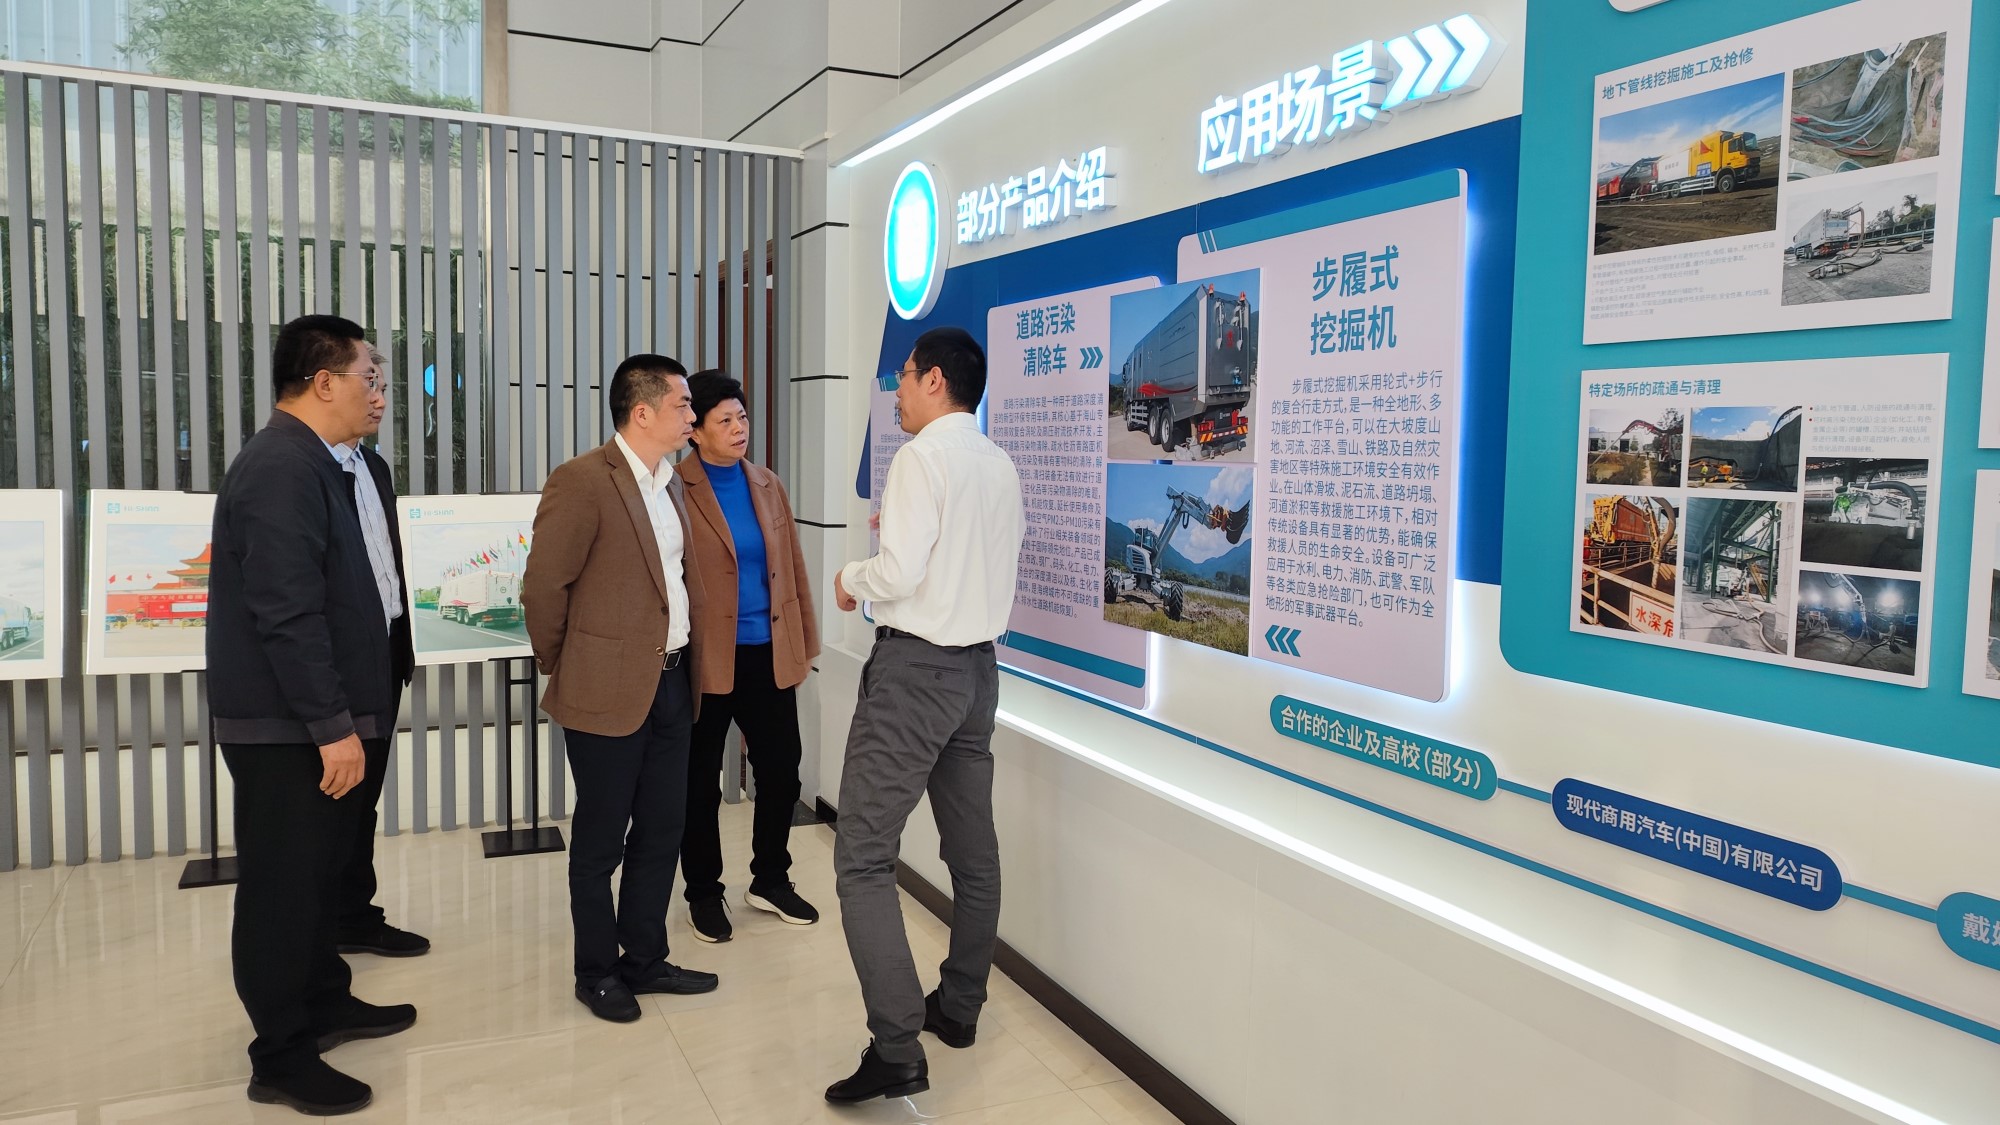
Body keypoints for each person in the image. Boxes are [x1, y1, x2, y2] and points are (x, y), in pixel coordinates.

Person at [207, 315, 418, 1116]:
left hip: (330, 707)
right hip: (287, 725)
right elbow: (287, 614)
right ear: (324, 382)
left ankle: (325, 999)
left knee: (323, 872)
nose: (380, 392)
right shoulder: (280, 468)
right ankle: (281, 1054)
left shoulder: (329, 463)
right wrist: (332, 725)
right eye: (371, 376)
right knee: (283, 887)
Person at [825, 327, 1026, 1104]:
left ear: (935, 380)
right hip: (978, 673)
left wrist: (851, 578)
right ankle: (960, 1007)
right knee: (974, 855)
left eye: (904, 377)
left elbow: (900, 571)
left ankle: (898, 1045)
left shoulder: (921, 458)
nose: (898, 392)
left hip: (916, 675)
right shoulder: (998, 462)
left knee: (861, 855)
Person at [522, 354, 719, 1024]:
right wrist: (566, 662)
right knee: (601, 839)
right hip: (604, 688)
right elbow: (544, 587)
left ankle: (645, 958)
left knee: (662, 829)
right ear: (642, 411)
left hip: (673, 683)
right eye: (683, 405)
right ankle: (596, 969)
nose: (693, 415)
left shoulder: (672, 483)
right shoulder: (582, 480)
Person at [674, 370, 822, 943]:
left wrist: (804, 643)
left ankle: (770, 879)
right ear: (696, 431)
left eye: (742, 416)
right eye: (725, 420)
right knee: (699, 784)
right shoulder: (675, 489)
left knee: (782, 770)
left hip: (768, 653)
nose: (739, 428)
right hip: (706, 658)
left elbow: (793, 569)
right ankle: (703, 892)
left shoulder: (767, 483)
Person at [332, 348, 430, 961]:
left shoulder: (373, 466)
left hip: (385, 650)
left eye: (384, 386)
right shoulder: (303, 472)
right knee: (329, 802)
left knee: (363, 797)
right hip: (335, 660)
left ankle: (353, 916)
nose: (380, 399)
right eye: (370, 383)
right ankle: (315, 930)